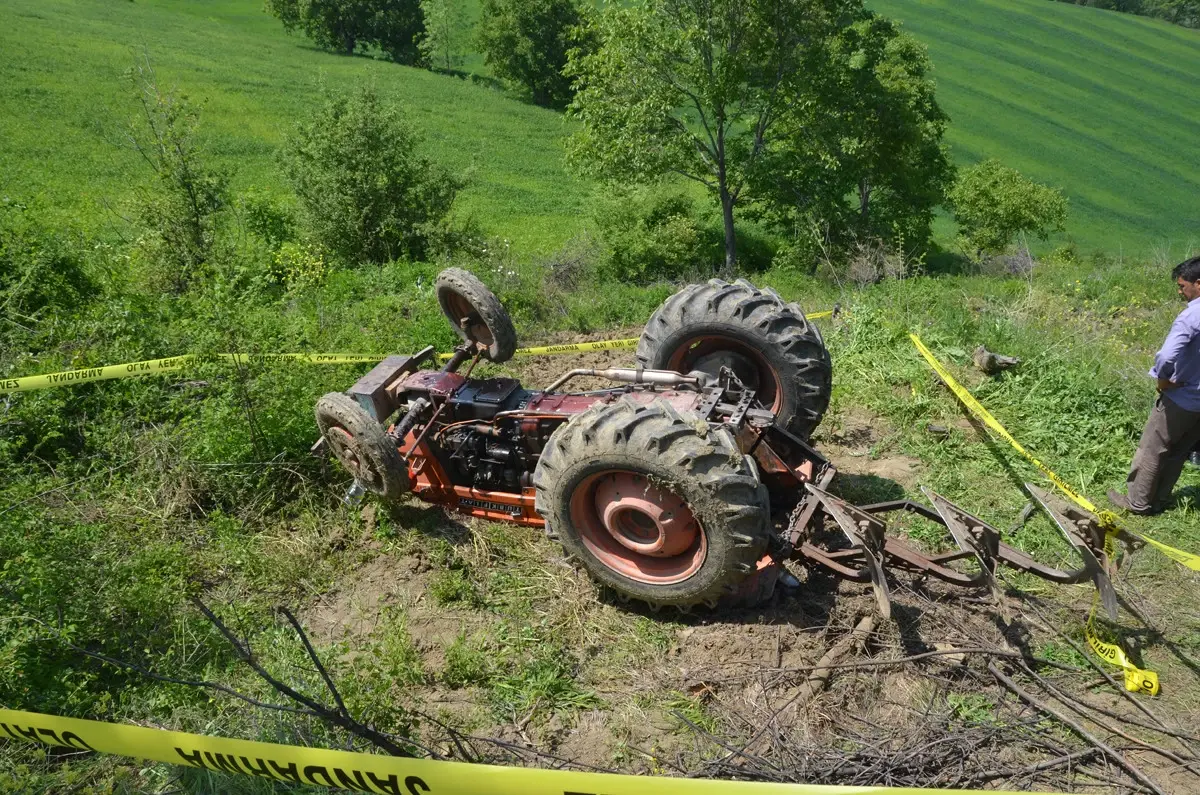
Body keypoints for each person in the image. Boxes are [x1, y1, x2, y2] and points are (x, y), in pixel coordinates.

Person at [1109, 255, 1200, 515]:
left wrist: (1163, 378)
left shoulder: (1191, 317)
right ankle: (1160, 499)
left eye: (1183, 286)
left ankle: (1137, 502)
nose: (1180, 292)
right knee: (1179, 451)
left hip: (1182, 397)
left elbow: (1167, 355)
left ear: (1199, 284)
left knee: (1153, 449)